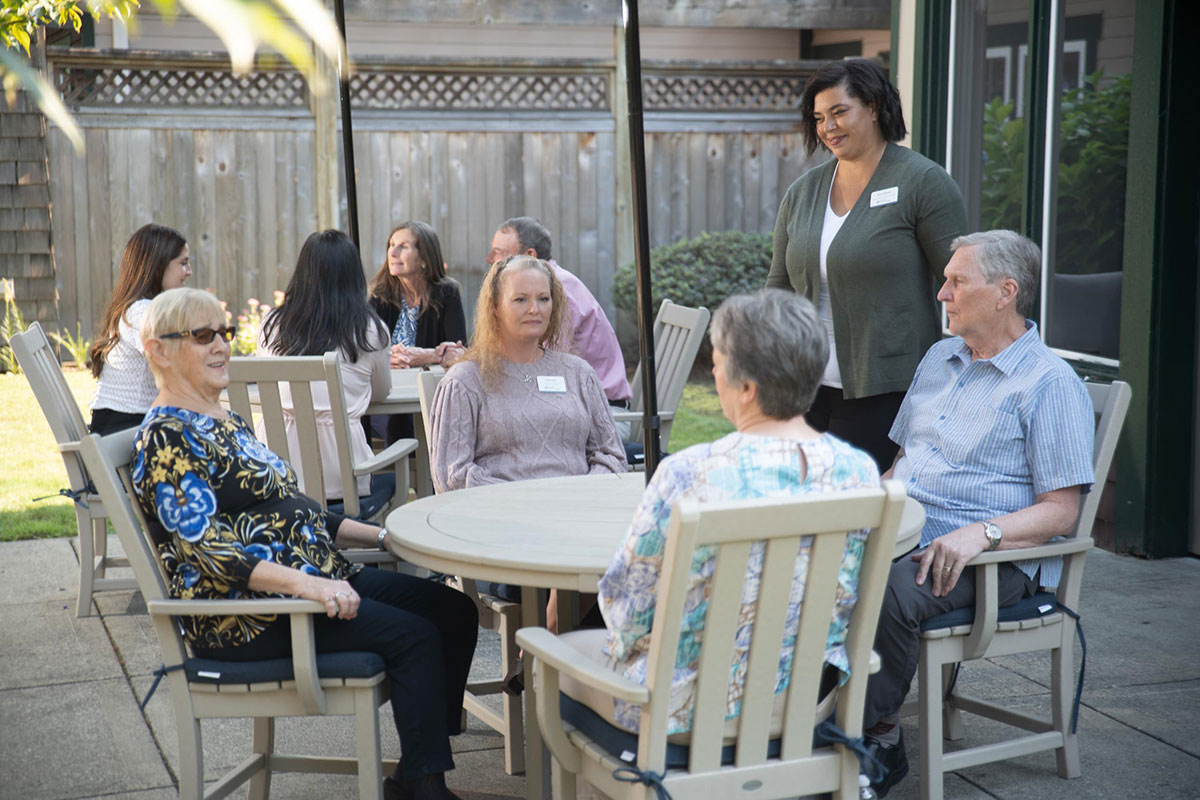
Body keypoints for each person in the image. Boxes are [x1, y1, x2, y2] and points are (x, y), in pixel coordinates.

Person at [131, 287, 478, 800]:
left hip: (311, 583)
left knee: (453, 612)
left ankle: (417, 765)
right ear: (158, 350)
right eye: (202, 337)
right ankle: (425, 786)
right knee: (415, 638)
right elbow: (209, 551)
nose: (222, 347)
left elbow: (297, 506)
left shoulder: (223, 419)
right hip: (249, 613)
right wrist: (311, 587)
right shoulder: (168, 439)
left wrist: (386, 536)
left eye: (223, 334)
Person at [861, 231, 1095, 798]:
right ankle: (799, 718)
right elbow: (901, 462)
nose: (941, 293)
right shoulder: (940, 357)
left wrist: (981, 535)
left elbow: (1062, 512)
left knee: (888, 591)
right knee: (798, 561)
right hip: (903, 531)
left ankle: (874, 739)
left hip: (992, 561)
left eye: (956, 281)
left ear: (1004, 293)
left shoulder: (1049, 384)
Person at [592, 288, 880, 736]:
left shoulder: (688, 474)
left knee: (554, 660)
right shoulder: (859, 472)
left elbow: (626, 611)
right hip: (804, 704)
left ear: (747, 388)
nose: (714, 370)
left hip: (687, 712)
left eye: (717, 362)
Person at [766, 58, 967, 472]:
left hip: (885, 390)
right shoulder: (803, 192)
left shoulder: (922, 183)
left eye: (840, 112)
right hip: (805, 387)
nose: (828, 127)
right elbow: (778, 287)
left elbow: (962, 281)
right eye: (819, 117)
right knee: (794, 505)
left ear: (874, 107)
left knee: (851, 512)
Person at [430, 255, 626, 635]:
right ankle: (551, 659)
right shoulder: (466, 381)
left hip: (581, 521)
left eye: (543, 299)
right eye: (520, 300)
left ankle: (543, 656)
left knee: (627, 559)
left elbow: (611, 455)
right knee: (599, 564)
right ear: (494, 307)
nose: (534, 309)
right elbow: (451, 477)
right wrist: (531, 506)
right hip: (507, 536)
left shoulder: (578, 373)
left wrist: (579, 498)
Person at [258, 229, 392, 508]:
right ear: (354, 275)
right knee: (392, 472)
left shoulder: (271, 325)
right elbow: (381, 393)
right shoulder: (371, 329)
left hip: (275, 476)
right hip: (343, 480)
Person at [486, 217, 633, 437]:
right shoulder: (542, 289)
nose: (491, 261)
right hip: (570, 406)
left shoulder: (556, 294)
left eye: (498, 253)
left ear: (529, 256)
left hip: (602, 416)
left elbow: (544, 371)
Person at [87, 223, 192, 435]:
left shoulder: (138, 307)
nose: (189, 272)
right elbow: (170, 361)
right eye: (183, 263)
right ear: (158, 266)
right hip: (125, 427)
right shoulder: (142, 310)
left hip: (123, 423)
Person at [368, 221, 467, 443]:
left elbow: (459, 353)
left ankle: (413, 471)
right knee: (398, 423)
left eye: (403, 246)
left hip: (431, 398)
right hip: (387, 396)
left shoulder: (447, 294)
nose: (392, 252)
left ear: (424, 258)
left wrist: (424, 356)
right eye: (391, 245)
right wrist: (386, 357)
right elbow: (366, 351)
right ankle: (404, 471)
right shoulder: (379, 296)